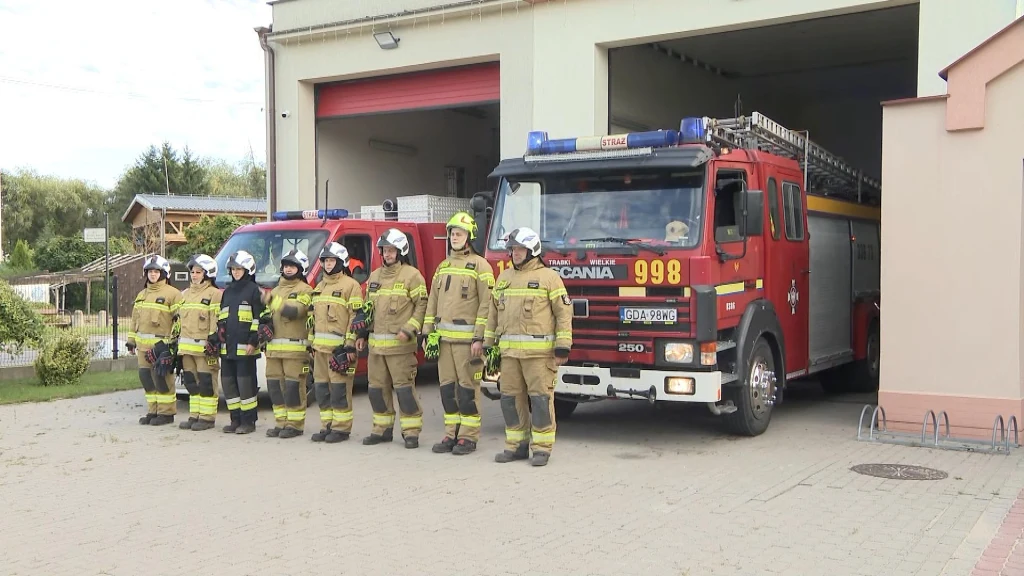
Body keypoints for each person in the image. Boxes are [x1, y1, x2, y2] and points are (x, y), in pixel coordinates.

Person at [483, 227, 573, 467]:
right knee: (510, 400)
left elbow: (563, 313)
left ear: (532, 249)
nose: (515, 253)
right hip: (509, 356)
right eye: (512, 249)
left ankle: (542, 448)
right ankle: (516, 446)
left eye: (520, 249)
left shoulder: (549, 278)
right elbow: (493, 315)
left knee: (541, 401)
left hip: (539, 356)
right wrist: (487, 344)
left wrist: (563, 345)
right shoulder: (504, 278)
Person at [422, 212, 494, 455]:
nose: (454, 236)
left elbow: (487, 305)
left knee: (467, 390)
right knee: (446, 390)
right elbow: (432, 302)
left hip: (468, 344)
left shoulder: (481, 266)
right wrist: (427, 333)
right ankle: (450, 433)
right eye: (452, 233)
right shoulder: (443, 267)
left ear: (469, 237)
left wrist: (479, 338)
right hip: (444, 343)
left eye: (459, 233)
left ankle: (468, 437)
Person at [361, 228, 428, 449]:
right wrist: (361, 333)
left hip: (400, 349)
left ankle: (411, 432)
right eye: (384, 250)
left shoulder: (412, 275)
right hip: (376, 350)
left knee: (404, 391)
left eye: (391, 250)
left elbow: (422, 305)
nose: (387, 254)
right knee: (376, 391)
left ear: (401, 251)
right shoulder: (375, 276)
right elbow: (367, 308)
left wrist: (410, 328)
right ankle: (381, 430)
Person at [309, 242, 364, 443]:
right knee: (322, 390)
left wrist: (350, 345)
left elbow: (356, 317)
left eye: (332, 260)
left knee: (340, 390)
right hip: (320, 351)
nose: (328, 264)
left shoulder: (351, 286)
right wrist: (311, 344)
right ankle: (327, 426)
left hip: (339, 350)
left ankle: (341, 429)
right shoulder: (319, 286)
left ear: (341, 262)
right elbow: (313, 319)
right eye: (325, 260)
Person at [263, 249, 315, 439]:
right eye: (286, 265)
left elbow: (295, 312)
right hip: (274, 351)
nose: (288, 269)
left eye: (292, 266)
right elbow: (267, 316)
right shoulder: (275, 290)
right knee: (275, 387)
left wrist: (272, 302)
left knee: (293, 388)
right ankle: (281, 423)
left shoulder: (306, 290)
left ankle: (295, 425)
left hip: (295, 350)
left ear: (301, 268)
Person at [126, 255, 183, 426]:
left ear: (164, 273)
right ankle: (153, 411)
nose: (152, 275)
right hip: (142, 347)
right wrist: (131, 341)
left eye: (156, 271)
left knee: (162, 379)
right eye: (150, 271)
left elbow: (179, 321)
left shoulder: (173, 294)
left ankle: (166, 413)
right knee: (146, 378)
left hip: (161, 347)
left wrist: (171, 347)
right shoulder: (141, 294)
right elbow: (135, 320)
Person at [213, 250, 265, 435]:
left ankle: (248, 421)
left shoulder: (253, 291)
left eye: (239, 269)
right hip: (228, 347)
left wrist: (253, 341)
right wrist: (218, 333)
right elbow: (222, 316)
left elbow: (258, 319)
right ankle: (235, 419)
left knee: (246, 386)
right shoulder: (228, 292)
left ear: (248, 269)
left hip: (246, 348)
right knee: (229, 384)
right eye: (233, 269)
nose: (235, 272)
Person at [176, 254, 222, 431]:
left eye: (198, 272)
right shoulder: (185, 294)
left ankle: (207, 418)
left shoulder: (214, 294)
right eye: (192, 272)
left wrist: (213, 340)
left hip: (204, 349)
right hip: (186, 350)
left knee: (207, 382)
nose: (194, 275)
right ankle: (194, 415)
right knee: (191, 383)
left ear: (207, 273)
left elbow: (215, 320)